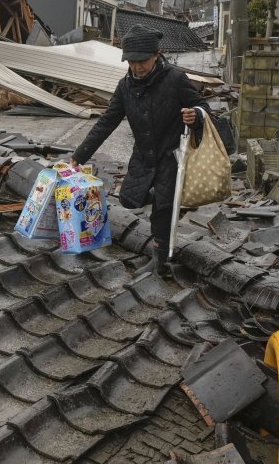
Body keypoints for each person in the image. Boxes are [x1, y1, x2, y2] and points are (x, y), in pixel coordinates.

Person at [71, 24, 203, 276]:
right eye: (131, 61)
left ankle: (159, 261)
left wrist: (194, 115)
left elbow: (203, 106)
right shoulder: (125, 87)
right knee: (129, 198)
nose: (137, 67)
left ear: (156, 55)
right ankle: (170, 200)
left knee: (162, 211)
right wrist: (79, 157)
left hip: (171, 155)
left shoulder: (175, 79)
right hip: (144, 156)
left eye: (142, 61)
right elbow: (107, 122)